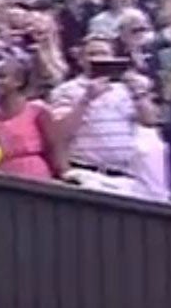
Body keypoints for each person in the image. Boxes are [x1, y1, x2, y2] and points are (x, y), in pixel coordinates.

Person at [51, 36, 159, 199]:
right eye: (92, 54)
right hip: (87, 173)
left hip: (126, 176)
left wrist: (139, 94)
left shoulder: (129, 87)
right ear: (81, 59)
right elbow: (60, 133)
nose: (98, 58)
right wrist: (86, 99)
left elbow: (149, 121)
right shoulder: (66, 90)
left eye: (104, 53)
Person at [0, 55, 60, 181]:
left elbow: (54, 148)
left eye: (2, 77)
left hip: (34, 179)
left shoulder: (37, 110)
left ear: (19, 81)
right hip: (1, 181)